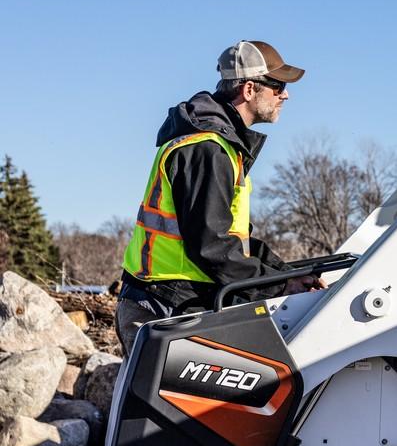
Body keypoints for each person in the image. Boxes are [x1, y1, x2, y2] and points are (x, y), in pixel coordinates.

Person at [115, 40, 324, 352]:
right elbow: (212, 246)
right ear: (250, 89)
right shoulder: (207, 148)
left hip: (175, 300)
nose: (286, 94)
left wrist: (291, 275)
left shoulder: (222, 146)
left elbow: (236, 240)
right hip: (165, 305)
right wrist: (280, 286)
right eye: (277, 85)